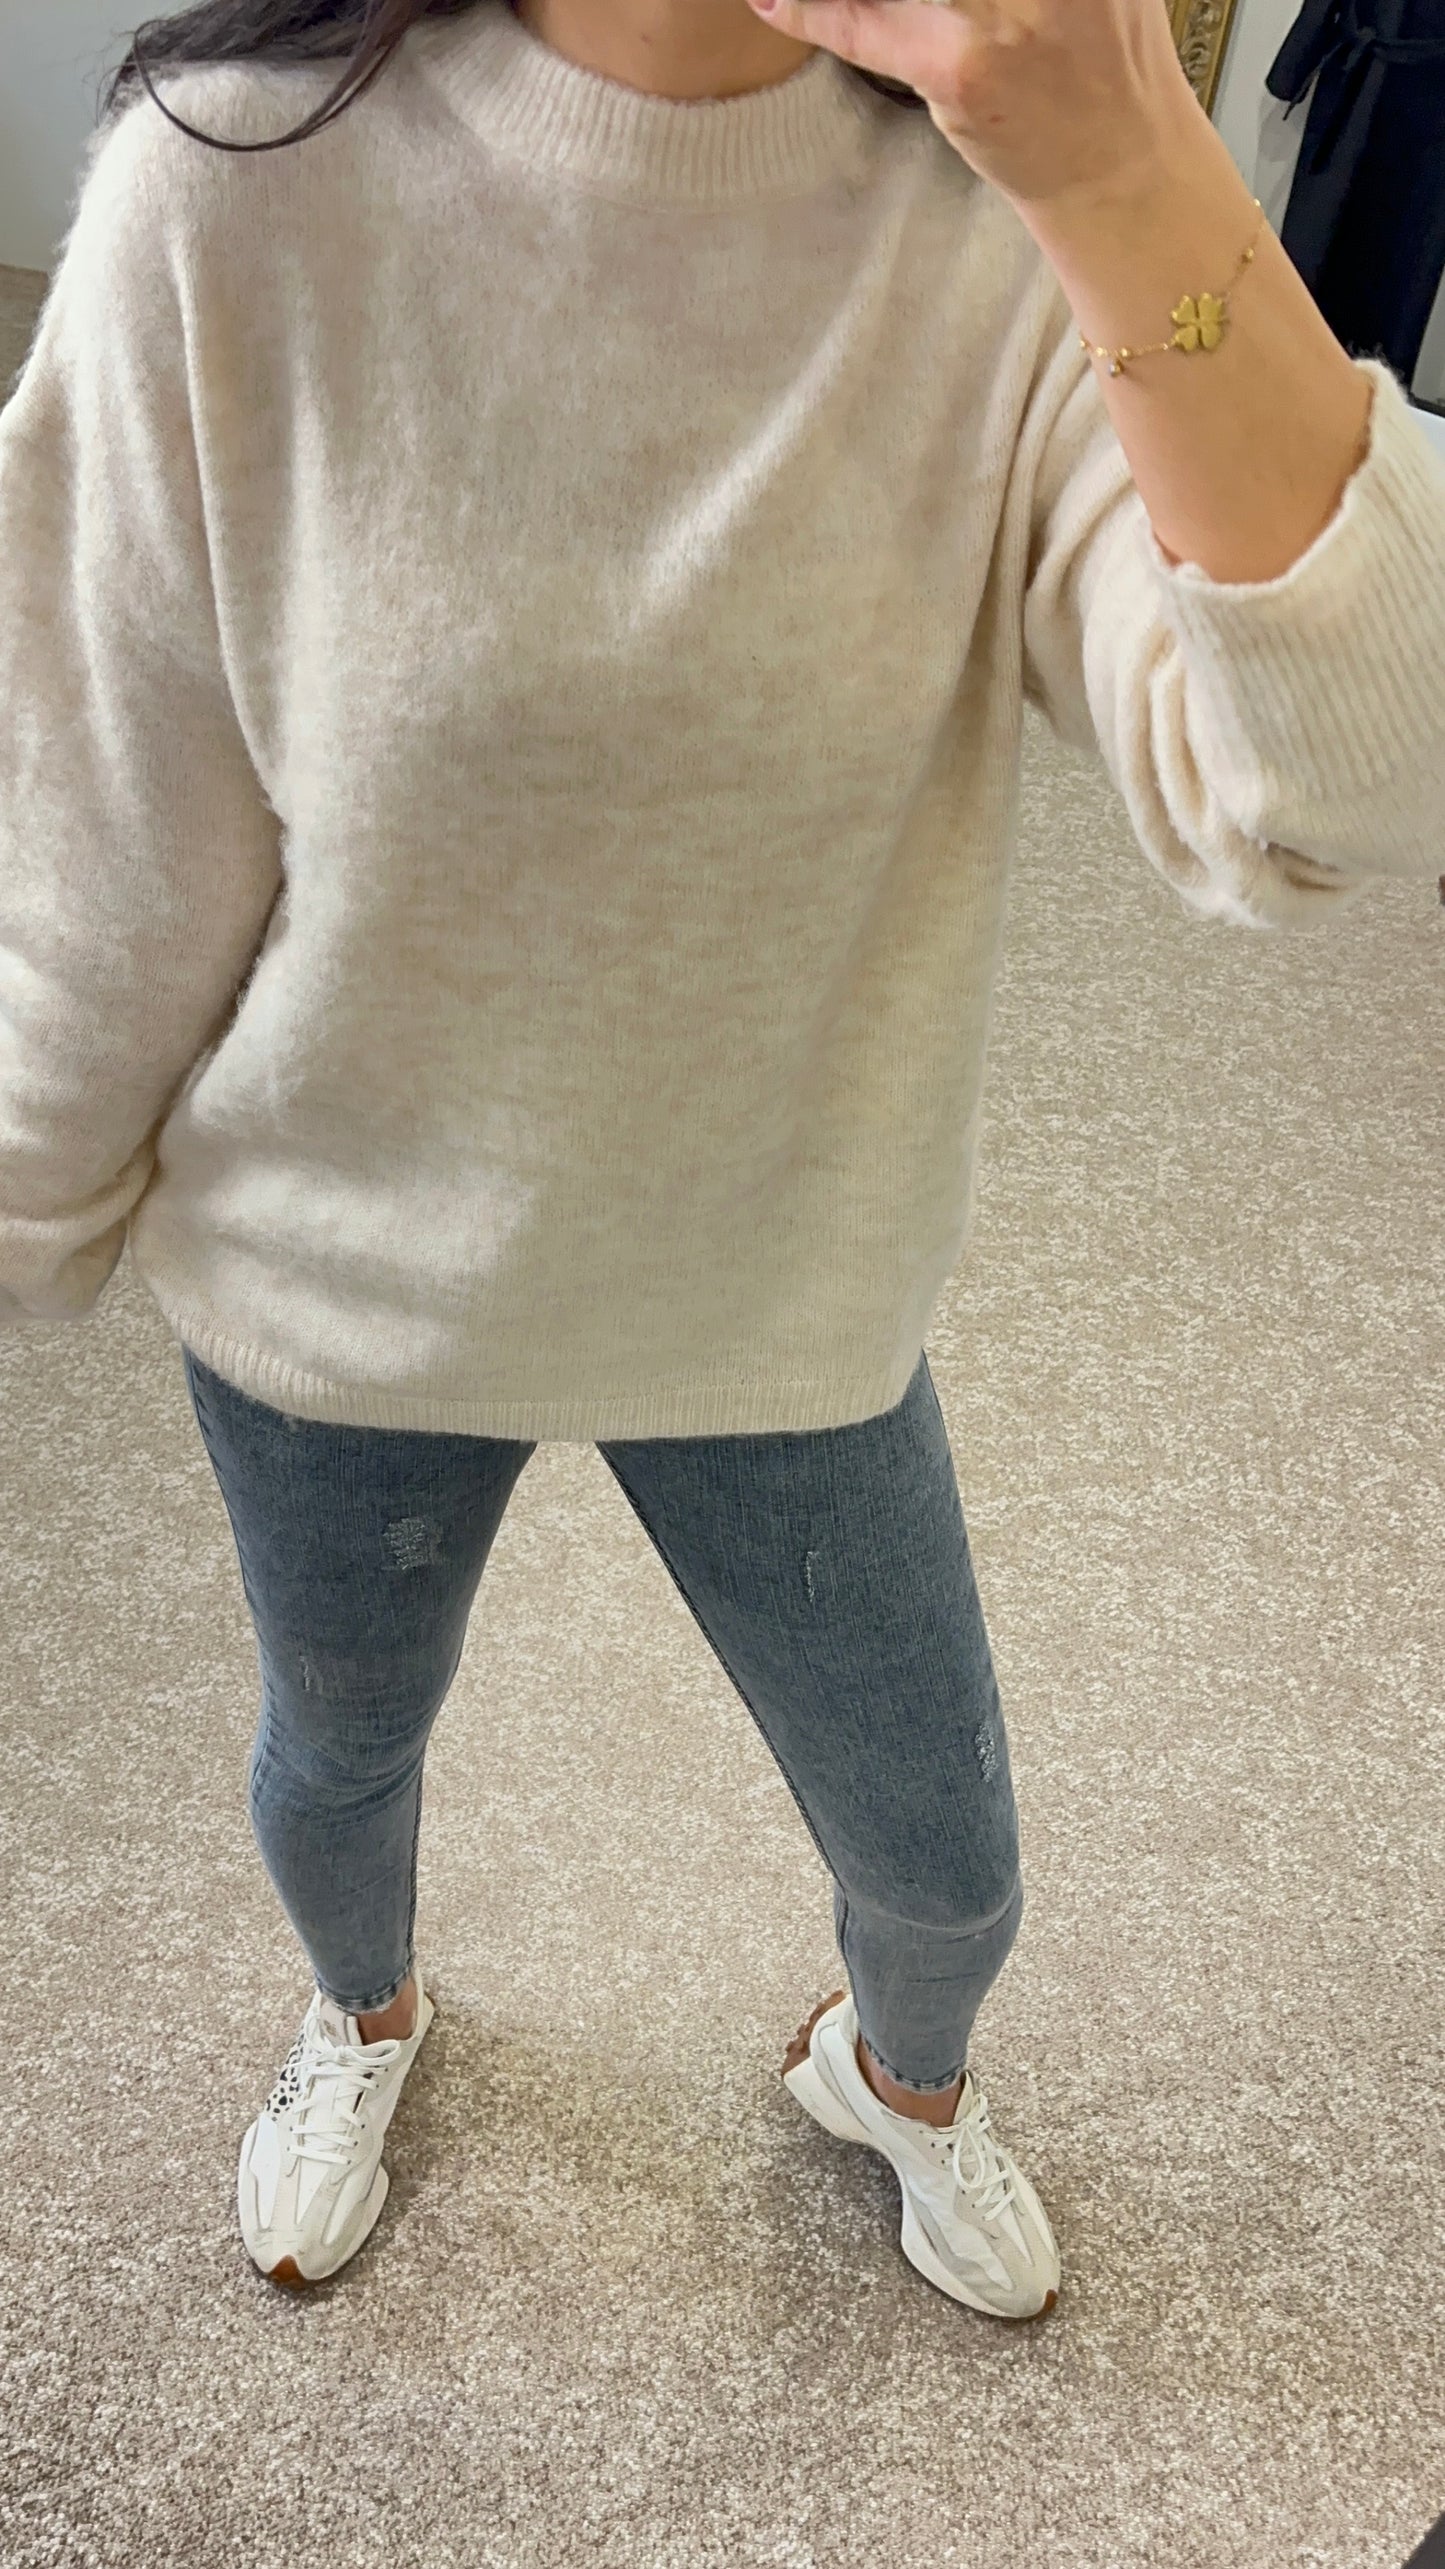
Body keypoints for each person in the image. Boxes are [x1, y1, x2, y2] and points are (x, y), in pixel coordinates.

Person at [2, 0, 1441, 2318]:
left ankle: (900, 2079)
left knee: (947, 1858)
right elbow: (97, 834)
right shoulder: (234, 179)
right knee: (337, 1757)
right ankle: (361, 2013)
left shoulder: (1007, 236)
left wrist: (1122, 171)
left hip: (779, 1290)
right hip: (343, 1283)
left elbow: (1353, 788)